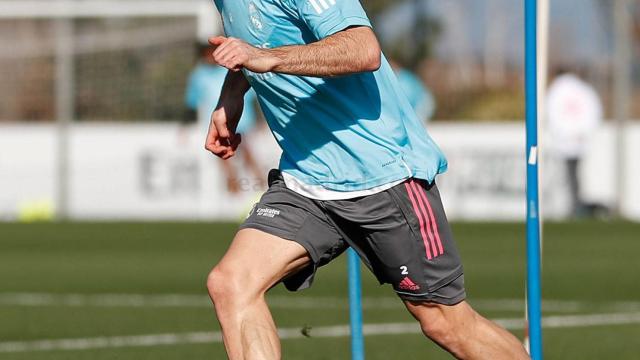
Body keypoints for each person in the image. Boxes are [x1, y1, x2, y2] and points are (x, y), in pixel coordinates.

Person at [204, 0, 530, 359]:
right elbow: (255, 39)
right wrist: (231, 95)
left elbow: (363, 48)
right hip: (305, 177)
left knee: (444, 322)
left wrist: (269, 58)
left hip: (382, 176)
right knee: (231, 284)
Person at [185, 42, 264, 193]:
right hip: (218, 123)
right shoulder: (199, 75)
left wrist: (260, 119)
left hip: (242, 120)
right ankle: (234, 189)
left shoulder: (231, 68)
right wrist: (185, 126)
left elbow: (252, 96)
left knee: (246, 151)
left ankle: (260, 185)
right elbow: (192, 101)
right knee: (223, 155)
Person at [546, 68, 603, 217]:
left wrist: (565, 133)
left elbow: (551, 114)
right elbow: (594, 112)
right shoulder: (584, 89)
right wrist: (583, 132)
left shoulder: (556, 90)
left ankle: (575, 206)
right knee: (573, 175)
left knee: (570, 175)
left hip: (565, 141)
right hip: (580, 139)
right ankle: (575, 205)